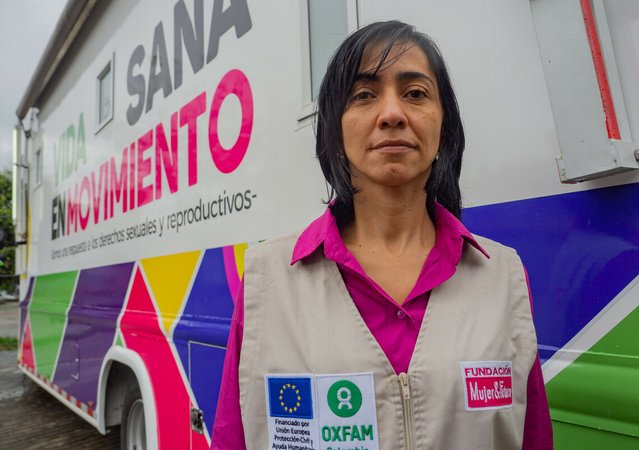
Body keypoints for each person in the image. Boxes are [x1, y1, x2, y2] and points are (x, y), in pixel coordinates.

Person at [211, 20, 553, 449]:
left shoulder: (503, 276)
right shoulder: (268, 279)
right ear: (335, 131)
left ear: (443, 126)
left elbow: (534, 437)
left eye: (415, 94)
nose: (392, 114)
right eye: (364, 95)